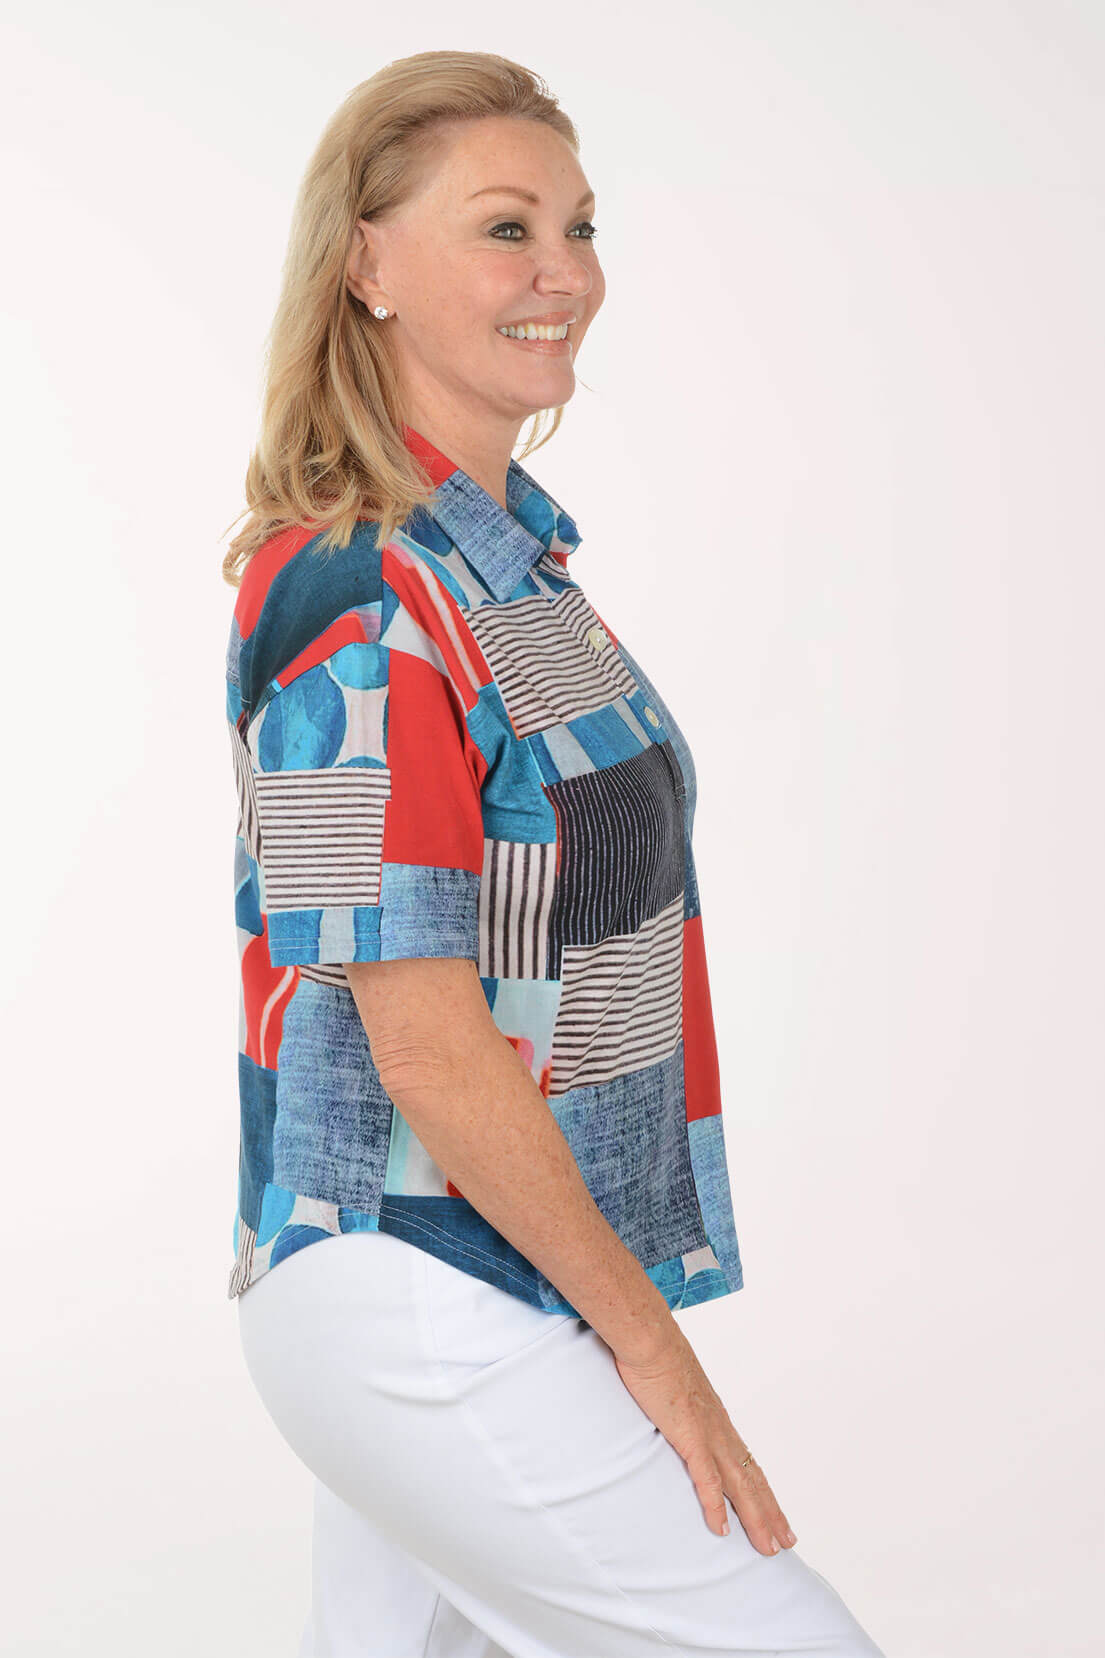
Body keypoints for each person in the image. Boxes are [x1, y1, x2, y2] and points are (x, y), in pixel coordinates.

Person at [221, 48, 886, 1658]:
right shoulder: (357, 593)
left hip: (496, 1274)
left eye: (579, 227)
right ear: (365, 262)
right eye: (505, 228)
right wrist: (649, 1348)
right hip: (416, 1282)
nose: (564, 274)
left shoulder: (510, 573)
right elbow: (423, 1043)